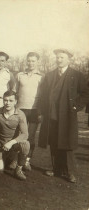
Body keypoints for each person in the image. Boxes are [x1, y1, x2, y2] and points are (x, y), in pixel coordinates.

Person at [38, 49, 89, 183]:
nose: (59, 60)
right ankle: (56, 169)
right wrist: (42, 112)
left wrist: (75, 107)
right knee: (54, 141)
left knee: (67, 143)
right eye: (57, 57)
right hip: (52, 114)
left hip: (67, 115)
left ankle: (70, 173)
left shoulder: (76, 75)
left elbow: (85, 93)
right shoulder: (50, 75)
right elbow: (44, 96)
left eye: (62, 57)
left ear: (68, 59)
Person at [0, 90, 30, 180]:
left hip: (12, 145)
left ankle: (18, 169)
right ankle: (2, 158)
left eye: (11, 101)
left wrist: (11, 143)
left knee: (26, 144)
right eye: (5, 100)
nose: (7, 103)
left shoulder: (20, 114)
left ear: (15, 102)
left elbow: (25, 134)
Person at [14, 52, 43, 171]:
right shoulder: (20, 75)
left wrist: (41, 112)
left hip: (35, 110)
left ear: (38, 62)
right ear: (26, 61)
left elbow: (44, 96)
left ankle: (26, 161)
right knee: (18, 135)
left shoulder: (42, 77)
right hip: (20, 109)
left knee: (30, 137)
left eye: (33, 61)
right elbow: (14, 92)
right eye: (29, 61)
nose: (31, 63)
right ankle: (15, 160)